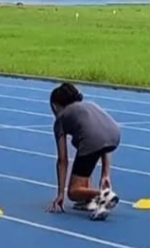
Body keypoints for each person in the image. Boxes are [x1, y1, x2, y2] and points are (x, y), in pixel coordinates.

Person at [47, 82, 121, 219]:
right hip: (114, 134)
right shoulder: (89, 105)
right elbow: (104, 139)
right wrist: (106, 174)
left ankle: (103, 195)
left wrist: (61, 194)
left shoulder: (60, 120)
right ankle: (91, 200)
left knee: (73, 191)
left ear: (55, 106)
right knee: (82, 146)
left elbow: (62, 160)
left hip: (92, 139)